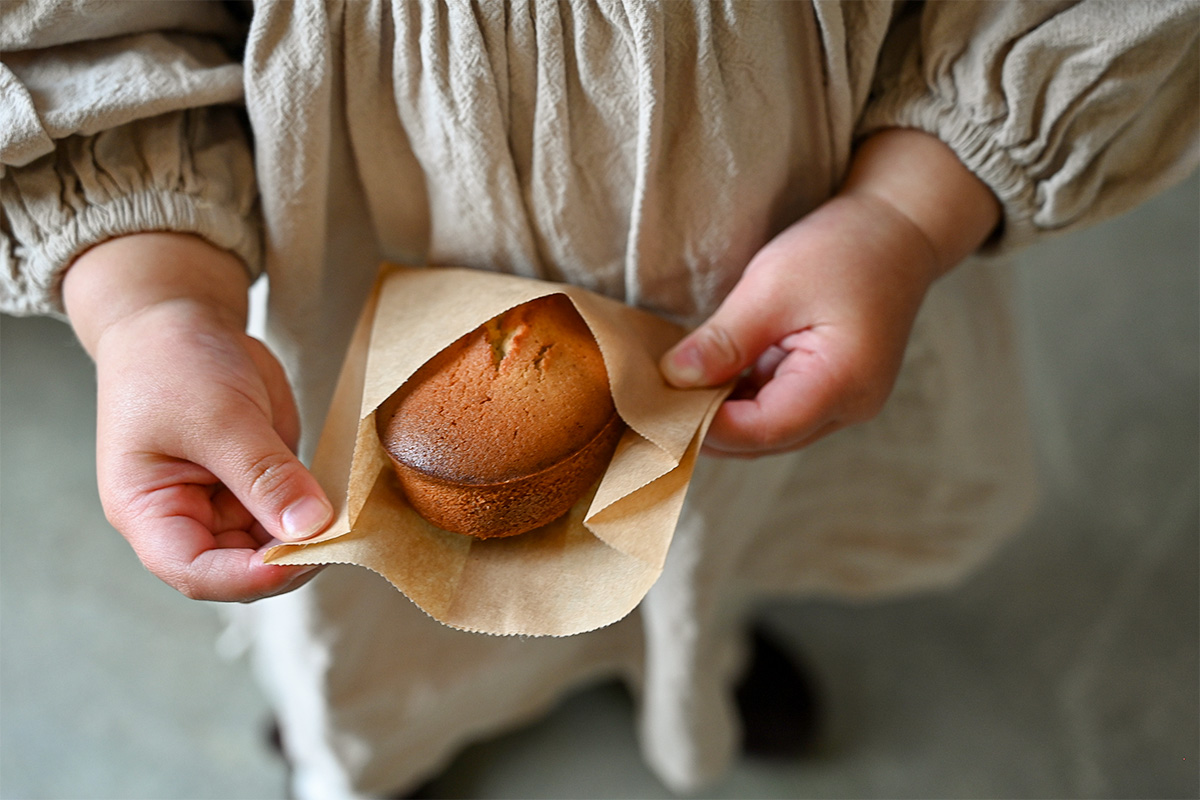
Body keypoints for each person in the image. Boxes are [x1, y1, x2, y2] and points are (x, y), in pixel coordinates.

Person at [2, 1, 1196, 797]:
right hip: (357, 236)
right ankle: (383, 725)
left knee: (715, 514)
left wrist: (908, 211)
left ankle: (691, 647)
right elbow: (86, 27)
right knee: (377, 568)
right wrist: (156, 302)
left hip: (788, 231)